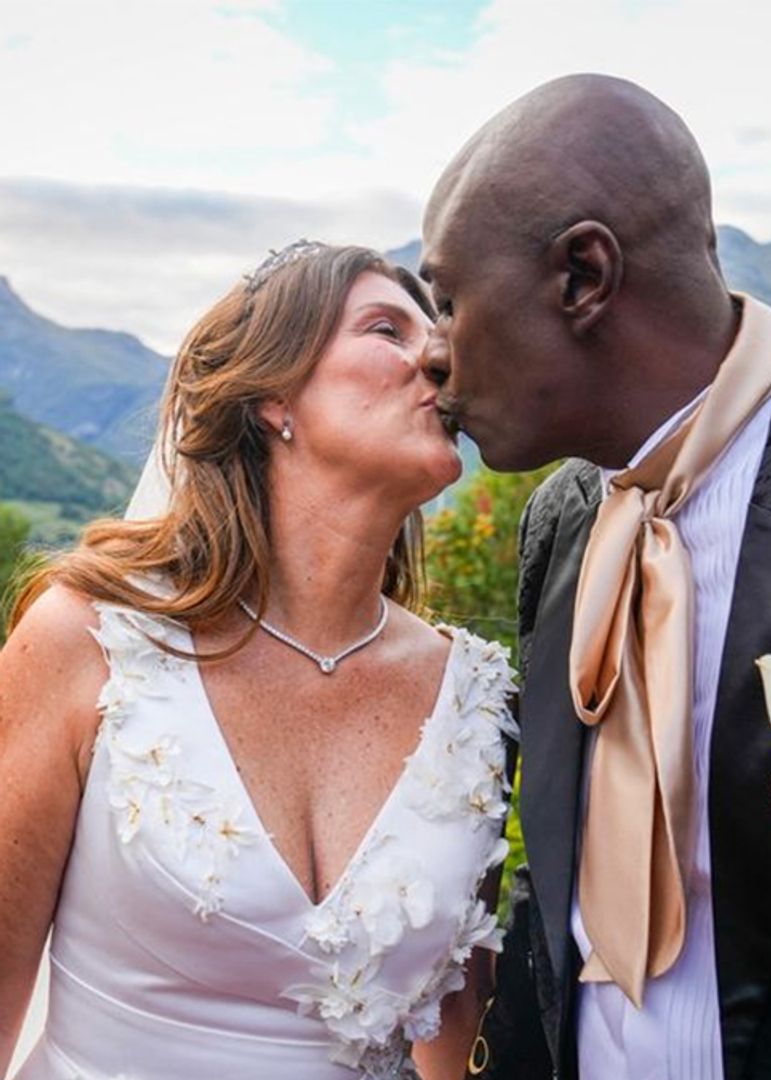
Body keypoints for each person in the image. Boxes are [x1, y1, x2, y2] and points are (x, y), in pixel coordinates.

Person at [417, 75, 771, 1078]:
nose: (434, 352)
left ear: (583, 275)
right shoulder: (561, 521)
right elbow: (563, 875)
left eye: (447, 298)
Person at [0, 242, 517, 1079]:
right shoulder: (86, 641)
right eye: (386, 327)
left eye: (439, 332)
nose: (437, 355)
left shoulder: (478, 699)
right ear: (275, 394)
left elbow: (457, 1038)